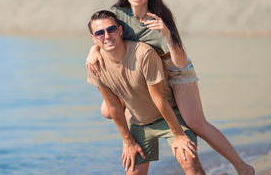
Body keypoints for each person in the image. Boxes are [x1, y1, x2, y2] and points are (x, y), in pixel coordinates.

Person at [86, 0, 255, 175]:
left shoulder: (160, 17)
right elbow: (106, 34)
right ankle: (143, 119)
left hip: (174, 70)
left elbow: (180, 61)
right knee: (106, 110)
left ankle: (243, 167)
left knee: (196, 122)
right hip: (147, 73)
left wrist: (166, 34)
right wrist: (93, 50)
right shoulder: (119, 15)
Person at [87, 10, 205, 175]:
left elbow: (159, 99)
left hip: (169, 117)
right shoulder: (95, 65)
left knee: (190, 163)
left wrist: (178, 134)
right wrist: (128, 141)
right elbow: (113, 106)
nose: (107, 36)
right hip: (138, 124)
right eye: (99, 33)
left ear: (120, 30)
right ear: (94, 39)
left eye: (111, 29)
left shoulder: (143, 54)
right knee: (133, 171)